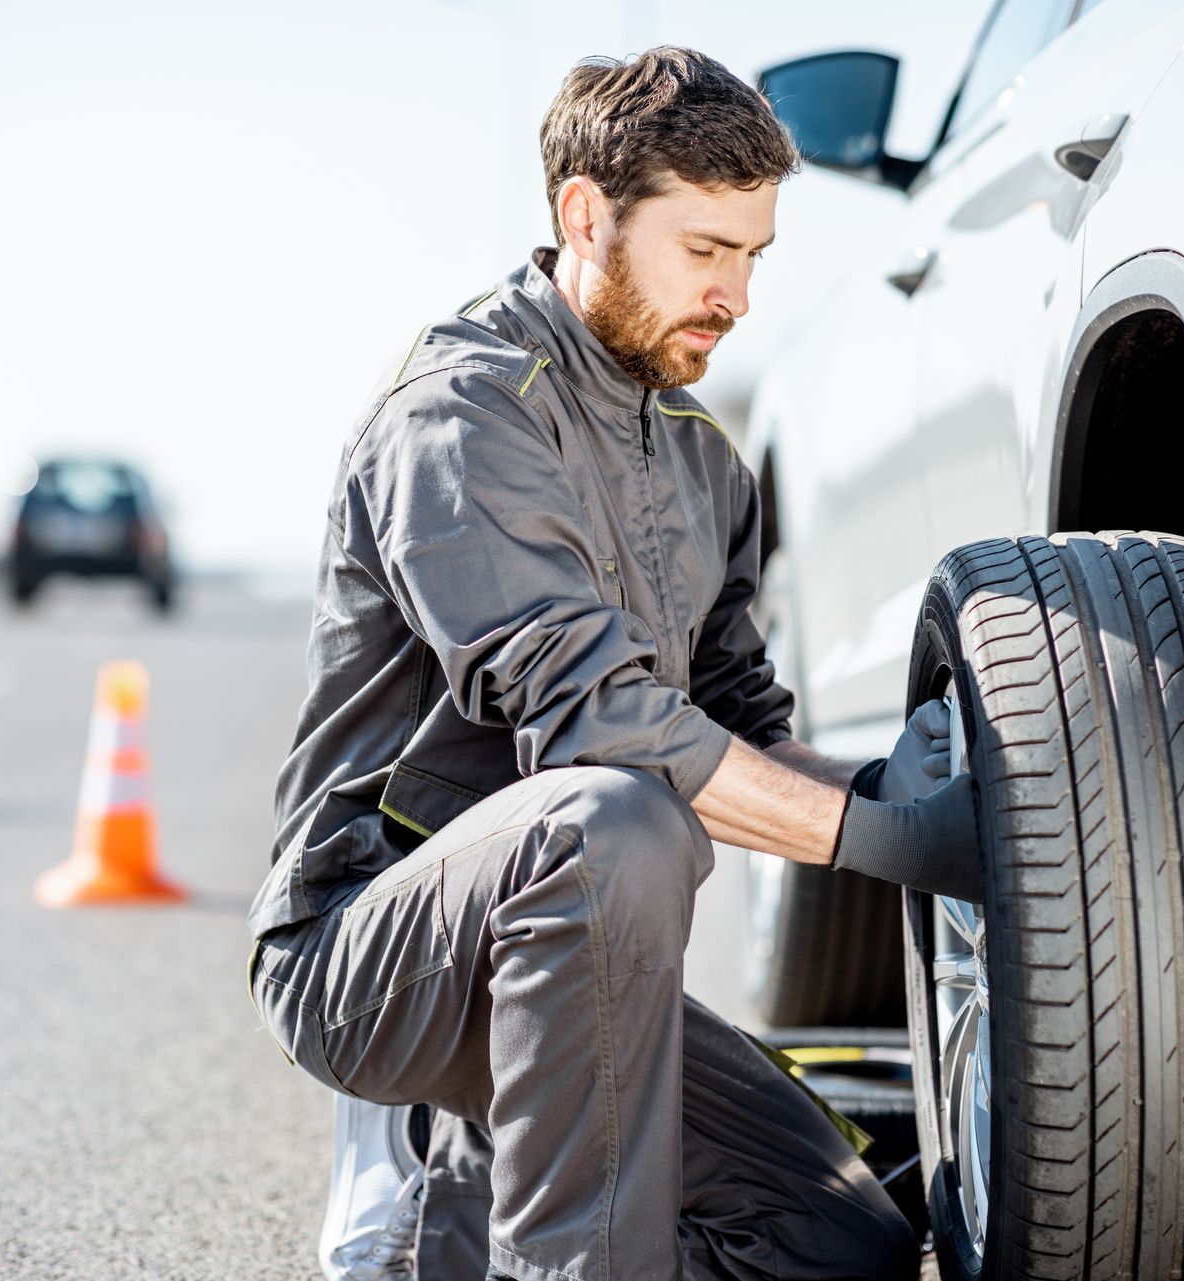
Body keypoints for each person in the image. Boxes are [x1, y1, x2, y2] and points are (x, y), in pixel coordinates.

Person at [246, 46, 982, 1281]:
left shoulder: (704, 459)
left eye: (753, 255)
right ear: (585, 215)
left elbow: (738, 728)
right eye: (705, 251)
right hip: (378, 948)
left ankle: (465, 1241)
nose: (737, 295)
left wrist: (887, 793)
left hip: (583, 953)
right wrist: (890, 848)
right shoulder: (462, 410)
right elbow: (597, 725)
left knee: (837, 1240)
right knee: (610, 817)